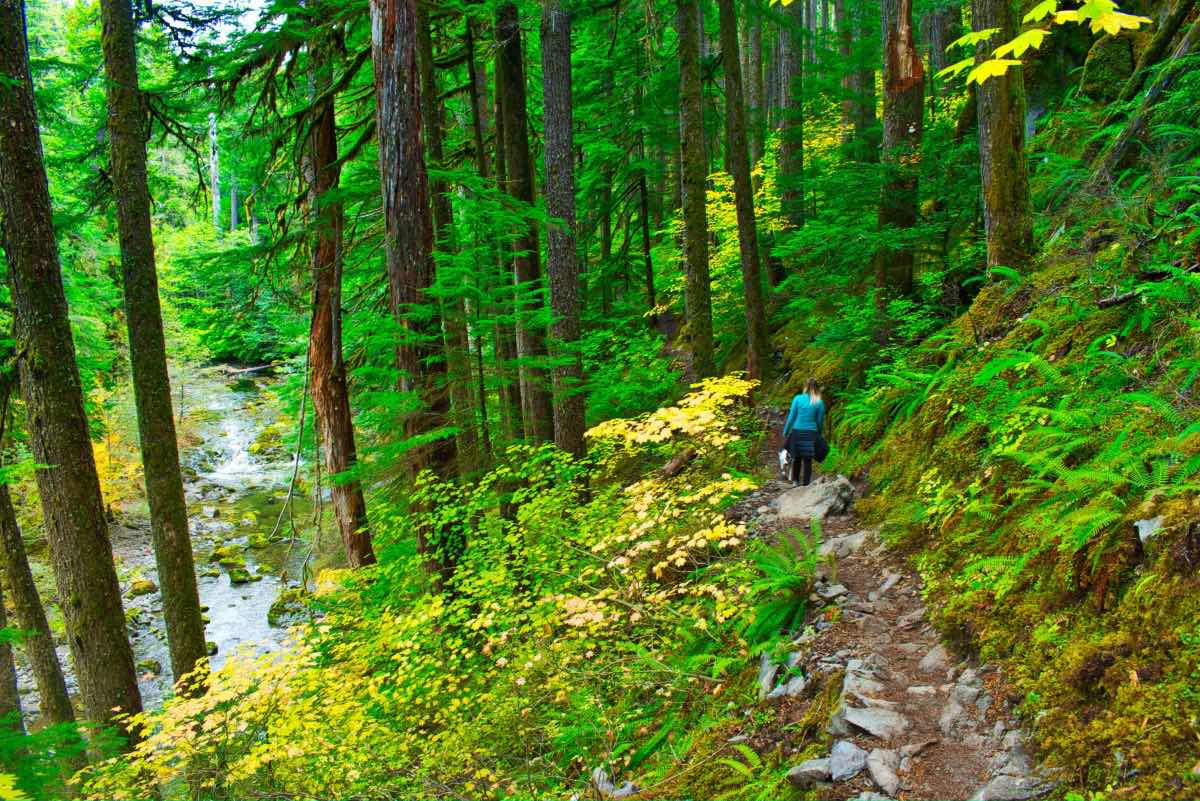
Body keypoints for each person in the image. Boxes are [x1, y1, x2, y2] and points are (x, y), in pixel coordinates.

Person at [782, 378, 825, 487]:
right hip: (811, 433)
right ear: (817, 388)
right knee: (808, 459)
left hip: (797, 431)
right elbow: (820, 422)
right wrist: (819, 433)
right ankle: (806, 484)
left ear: (805, 387)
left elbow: (791, 417)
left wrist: (786, 431)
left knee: (796, 457)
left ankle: (795, 481)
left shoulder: (797, 399)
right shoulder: (819, 402)